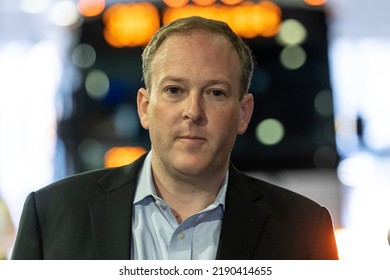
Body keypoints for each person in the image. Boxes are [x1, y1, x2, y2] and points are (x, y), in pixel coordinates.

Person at [11, 16, 338, 260]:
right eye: (174, 90)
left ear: (243, 113)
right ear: (144, 107)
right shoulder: (51, 215)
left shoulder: (305, 230)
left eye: (215, 92)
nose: (193, 111)